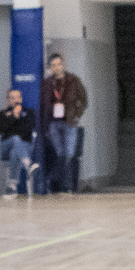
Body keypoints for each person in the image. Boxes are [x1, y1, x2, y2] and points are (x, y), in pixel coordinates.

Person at [39, 54, 86, 193]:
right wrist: (45, 125)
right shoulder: (47, 83)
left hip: (69, 121)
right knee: (60, 154)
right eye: (53, 65)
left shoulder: (73, 80)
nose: (57, 67)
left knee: (69, 154)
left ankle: (58, 181)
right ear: (50, 67)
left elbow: (84, 99)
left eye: (59, 64)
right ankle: (63, 185)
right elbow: (43, 104)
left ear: (63, 65)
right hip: (53, 123)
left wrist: (77, 114)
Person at [0, 88, 37, 199]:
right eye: (12, 98)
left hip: (24, 147)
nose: (15, 100)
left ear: (21, 99)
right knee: (15, 139)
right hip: (6, 147)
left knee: (15, 152)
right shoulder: (2, 114)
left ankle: (12, 188)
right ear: (8, 100)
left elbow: (29, 130)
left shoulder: (29, 112)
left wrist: (16, 123)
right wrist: (13, 117)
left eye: (18, 97)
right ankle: (28, 163)